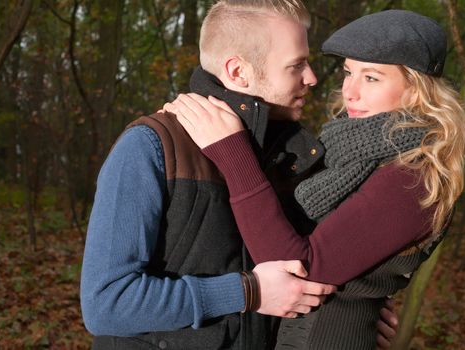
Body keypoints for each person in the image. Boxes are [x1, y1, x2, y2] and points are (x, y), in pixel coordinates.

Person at [81, 1, 398, 349]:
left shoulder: (295, 158)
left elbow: (303, 275)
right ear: (237, 72)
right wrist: (248, 291)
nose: (312, 78)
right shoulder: (151, 146)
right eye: (296, 65)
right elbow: (106, 304)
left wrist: (352, 313)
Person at [165, 9, 465, 350]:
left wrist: (233, 153)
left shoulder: (414, 178)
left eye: (371, 78)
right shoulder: (350, 155)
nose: (350, 92)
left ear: (417, 90)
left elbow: (295, 268)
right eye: (348, 73)